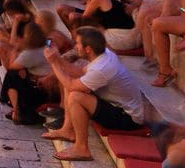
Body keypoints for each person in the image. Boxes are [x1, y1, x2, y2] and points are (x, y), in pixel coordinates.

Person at [42, 26, 145, 161]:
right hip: (115, 106)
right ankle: (67, 129)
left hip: (127, 118)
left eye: (78, 43)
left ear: (88, 49)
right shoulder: (103, 54)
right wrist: (57, 59)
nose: (76, 46)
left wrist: (54, 63)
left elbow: (71, 84)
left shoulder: (102, 67)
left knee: (75, 95)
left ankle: (82, 148)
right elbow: (78, 73)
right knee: (73, 84)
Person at [0, 20, 52, 125]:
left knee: (11, 76)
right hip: (42, 89)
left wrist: (15, 49)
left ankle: (16, 111)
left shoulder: (31, 53)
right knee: (16, 75)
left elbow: (11, 67)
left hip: (41, 92)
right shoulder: (42, 46)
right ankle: (15, 108)